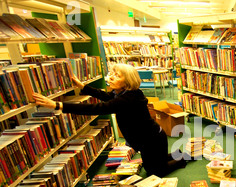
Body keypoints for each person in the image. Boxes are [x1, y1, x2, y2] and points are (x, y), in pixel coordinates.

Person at [33, 63, 187, 177]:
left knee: (155, 172)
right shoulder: (121, 93)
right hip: (148, 139)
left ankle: (182, 159)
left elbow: (99, 108)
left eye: (117, 75)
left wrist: (58, 105)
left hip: (152, 140)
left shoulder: (129, 98)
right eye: (112, 73)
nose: (111, 77)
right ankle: (177, 154)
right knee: (153, 164)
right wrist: (84, 87)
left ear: (127, 81)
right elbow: (106, 96)